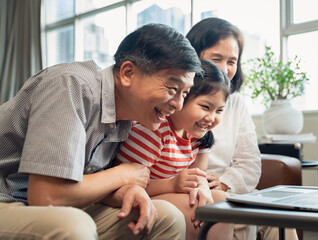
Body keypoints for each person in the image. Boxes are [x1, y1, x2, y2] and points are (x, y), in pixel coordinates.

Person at [0, 23, 203, 239]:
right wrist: (122, 174)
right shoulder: (70, 86)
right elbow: (47, 197)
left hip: (40, 205)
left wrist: (128, 190)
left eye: (184, 94)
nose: (178, 105)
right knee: (73, 226)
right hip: (7, 198)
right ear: (128, 73)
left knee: (166, 216)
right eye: (173, 89)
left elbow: (88, 181)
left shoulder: (128, 117)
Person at [186, 18, 298, 240]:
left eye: (232, 61)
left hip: (229, 187)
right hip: (194, 188)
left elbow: (250, 163)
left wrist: (225, 182)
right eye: (216, 59)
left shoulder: (236, 102)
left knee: (280, 220)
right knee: (240, 218)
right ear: (193, 55)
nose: (225, 70)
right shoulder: (178, 96)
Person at [117, 59, 234, 240]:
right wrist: (172, 184)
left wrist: (201, 185)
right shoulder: (153, 130)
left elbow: (198, 174)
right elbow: (124, 184)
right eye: (205, 107)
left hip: (167, 193)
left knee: (223, 202)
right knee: (200, 210)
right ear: (181, 98)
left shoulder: (198, 137)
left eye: (219, 110)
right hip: (138, 196)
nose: (211, 118)